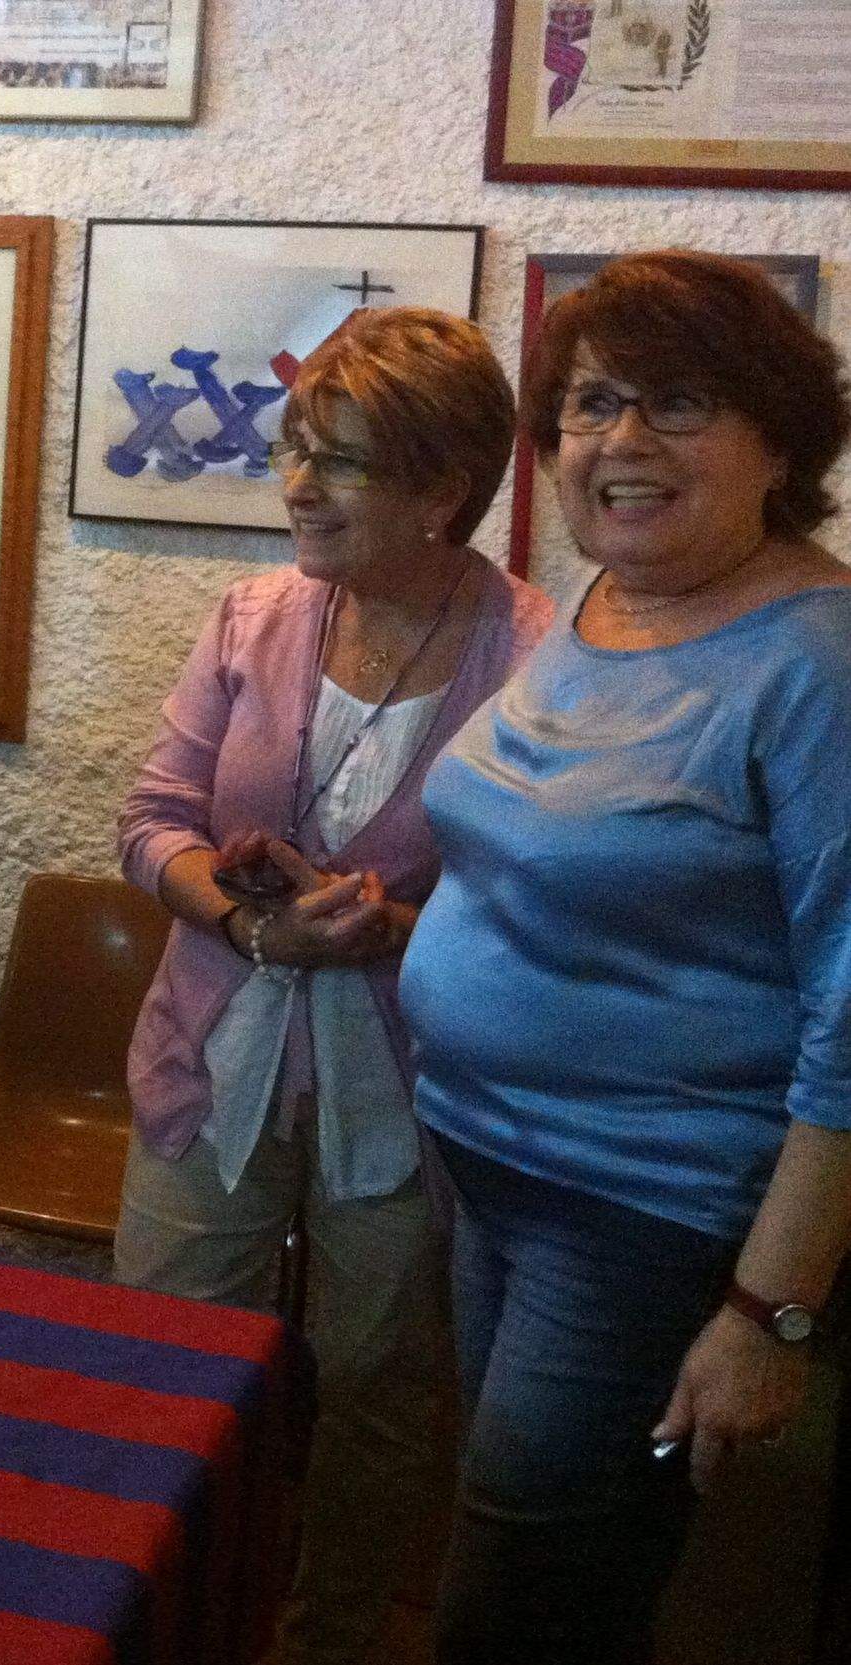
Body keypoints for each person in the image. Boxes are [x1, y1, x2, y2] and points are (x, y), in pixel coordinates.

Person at [399, 250, 851, 1664]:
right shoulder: (601, 604)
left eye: (677, 402)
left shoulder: (818, 663)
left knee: (523, 1592)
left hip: (645, 1210)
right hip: (492, 1167)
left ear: (779, 438)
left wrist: (766, 1313)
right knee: (536, 1545)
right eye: (590, 404)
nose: (619, 440)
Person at [114, 308, 552, 1665]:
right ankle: (159, 1614)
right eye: (295, 451)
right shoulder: (255, 615)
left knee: (374, 1390)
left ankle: (328, 1634)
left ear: (442, 490)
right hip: (212, 1054)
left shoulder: (536, 656)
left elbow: (541, 912)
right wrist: (244, 916)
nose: (296, 486)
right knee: (163, 1366)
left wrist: (393, 926)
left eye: (341, 462)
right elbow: (149, 822)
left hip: (407, 1091)